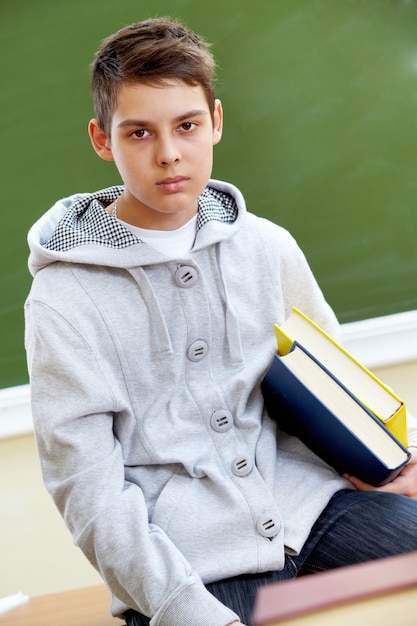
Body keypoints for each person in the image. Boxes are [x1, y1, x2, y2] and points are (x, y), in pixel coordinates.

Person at [24, 17, 417, 626]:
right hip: (189, 560)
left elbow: (338, 388)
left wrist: (394, 459)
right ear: (103, 140)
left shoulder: (267, 246)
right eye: (139, 133)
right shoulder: (64, 298)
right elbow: (89, 493)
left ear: (216, 122)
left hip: (313, 511)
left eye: (187, 125)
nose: (168, 153)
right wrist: (182, 608)